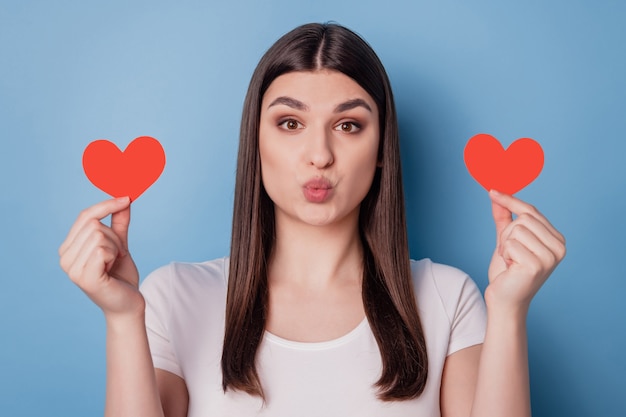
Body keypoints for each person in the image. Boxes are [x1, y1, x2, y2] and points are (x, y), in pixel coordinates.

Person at [58, 23, 565, 417]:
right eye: (290, 123)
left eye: (348, 125)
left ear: (382, 147)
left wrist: (509, 310)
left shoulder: (446, 297)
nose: (319, 154)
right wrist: (123, 319)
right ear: (256, 143)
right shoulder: (175, 296)